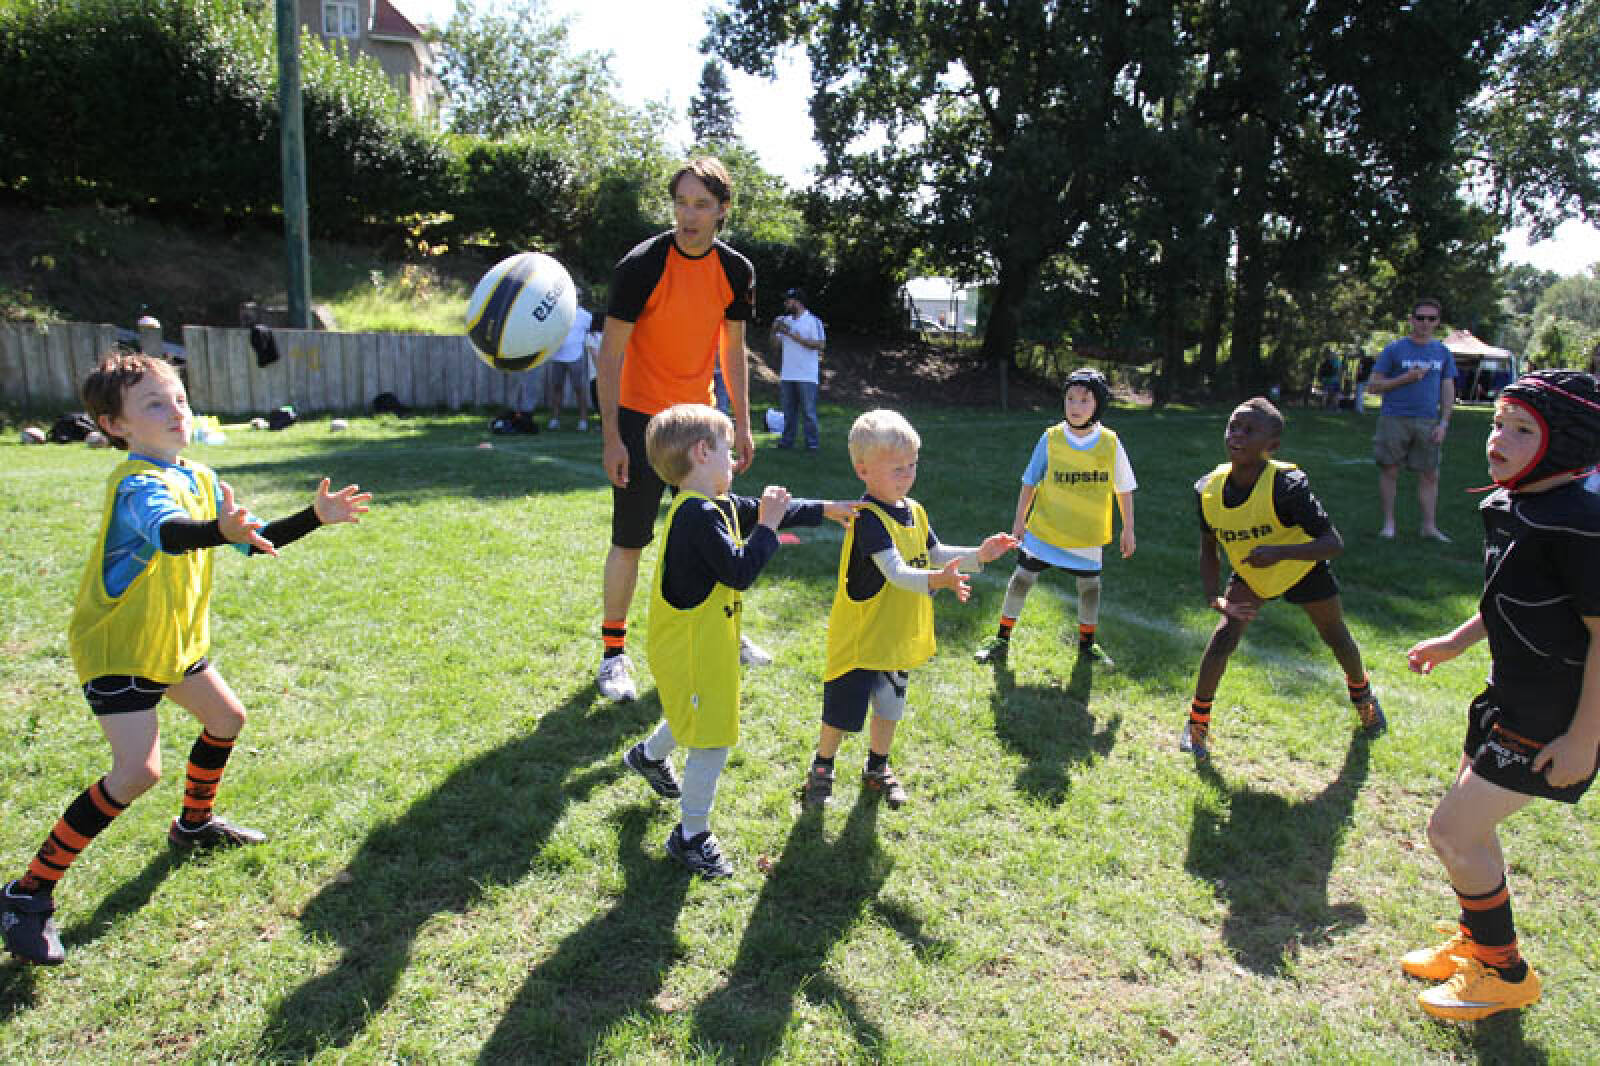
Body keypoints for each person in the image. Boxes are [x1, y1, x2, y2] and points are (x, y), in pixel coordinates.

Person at [0, 353, 371, 966]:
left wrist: (314, 517)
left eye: (177, 397)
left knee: (226, 719)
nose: (175, 410)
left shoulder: (199, 475)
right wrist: (218, 532)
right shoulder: (137, 484)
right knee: (136, 772)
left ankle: (193, 827)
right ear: (114, 425)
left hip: (172, 645)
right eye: (154, 404)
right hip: (120, 648)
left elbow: (250, 538)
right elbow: (170, 532)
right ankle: (26, 893)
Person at [1401, 370, 1600, 1020]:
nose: (1498, 439)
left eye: (1521, 430)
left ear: (1564, 445)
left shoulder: (1582, 526)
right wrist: (1457, 641)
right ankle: (1479, 941)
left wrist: (1585, 738)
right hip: (1505, 696)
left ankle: (1504, 973)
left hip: (1553, 715)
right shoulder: (1510, 505)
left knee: (1451, 832)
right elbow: (1512, 596)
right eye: (1497, 423)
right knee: (1469, 832)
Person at [619, 404, 856, 877]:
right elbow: (740, 571)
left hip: (703, 647)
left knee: (698, 714)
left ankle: (647, 756)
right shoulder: (696, 517)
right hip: (688, 651)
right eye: (727, 450)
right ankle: (690, 837)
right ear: (702, 453)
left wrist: (826, 509)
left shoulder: (716, 504)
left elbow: (763, 511)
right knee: (711, 740)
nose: (734, 459)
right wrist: (767, 527)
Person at [594, 157, 759, 702]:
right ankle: (613, 656)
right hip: (641, 422)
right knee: (630, 541)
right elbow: (610, 355)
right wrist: (612, 437)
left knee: (717, 535)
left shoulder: (735, 270)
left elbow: (732, 349)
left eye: (701, 205)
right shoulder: (641, 265)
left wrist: (741, 423)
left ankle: (726, 634)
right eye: (681, 203)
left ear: (722, 210)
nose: (689, 216)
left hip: (701, 424)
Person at [799, 410, 1017, 808]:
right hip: (862, 639)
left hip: (896, 633)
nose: (907, 475)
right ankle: (822, 768)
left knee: (890, 707)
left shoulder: (914, 510)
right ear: (863, 470)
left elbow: (936, 553)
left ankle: (877, 767)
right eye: (896, 468)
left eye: (912, 465)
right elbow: (897, 572)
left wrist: (980, 555)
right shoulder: (867, 519)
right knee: (841, 714)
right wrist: (938, 581)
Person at [1179, 397, 1385, 760]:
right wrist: (1214, 596)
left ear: (1271, 445)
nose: (1237, 435)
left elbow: (1333, 543)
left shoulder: (1286, 485)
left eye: (1249, 430)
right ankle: (1197, 723)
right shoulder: (1208, 489)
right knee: (1224, 638)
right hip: (1252, 573)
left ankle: (1363, 696)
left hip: (1302, 567)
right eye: (1233, 426)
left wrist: (1279, 552)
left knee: (1336, 636)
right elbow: (1209, 548)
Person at [974, 368, 1136, 669]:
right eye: (1070, 398)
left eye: (1084, 401)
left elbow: (1124, 487)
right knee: (1022, 579)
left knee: (1090, 588)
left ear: (1098, 405)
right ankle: (1001, 637)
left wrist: (1128, 528)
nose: (1075, 406)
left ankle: (1087, 644)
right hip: (1045, 529)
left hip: (1086, 534)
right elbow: (1029, 481)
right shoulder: (1051, 439)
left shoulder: (1110, 442)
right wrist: (1019, 521)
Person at [1370, 298, 1457, 541]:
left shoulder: (1442, 352)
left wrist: (1444, 422)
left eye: (1431, 319)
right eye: (1420, 318)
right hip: (1394, 418)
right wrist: (1405, 379)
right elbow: (1373, 386)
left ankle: (1429, 527)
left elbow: (1447, 388)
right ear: (1411, 320)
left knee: (1430, 474)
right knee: (1389, 470)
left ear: (1438, 322)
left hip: (1428, 421)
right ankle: (1389, 525)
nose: (1425, 323)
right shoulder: (1394, 349)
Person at [772, 287, 826, 451]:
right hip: (787, 374)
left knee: (808, 412)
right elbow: (775, 345)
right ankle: (787, 442)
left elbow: (821, 345)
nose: (785, 303)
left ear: (797, 302)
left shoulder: (813, 321)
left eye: (788, 300)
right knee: (788, 412)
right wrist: (774, 330)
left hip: (807, 375)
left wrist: (793, 335)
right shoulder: (785, 320)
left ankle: (812, 444)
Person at [545, 299, 594, 431]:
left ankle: (583, 421)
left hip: (575, 356)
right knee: (557, 387)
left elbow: (592, 333)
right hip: (557, 357)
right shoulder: (556, 313)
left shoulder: (585, 315)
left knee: (579, 389)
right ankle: (555, 419)